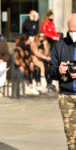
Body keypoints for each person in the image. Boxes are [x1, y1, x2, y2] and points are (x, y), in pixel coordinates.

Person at [50, 13, 76, 150]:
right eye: (71, 30)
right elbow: (51, 72)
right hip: (67, 96)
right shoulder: (59, 45)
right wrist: (59, 71)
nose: (73, 33)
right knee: (71, 137)